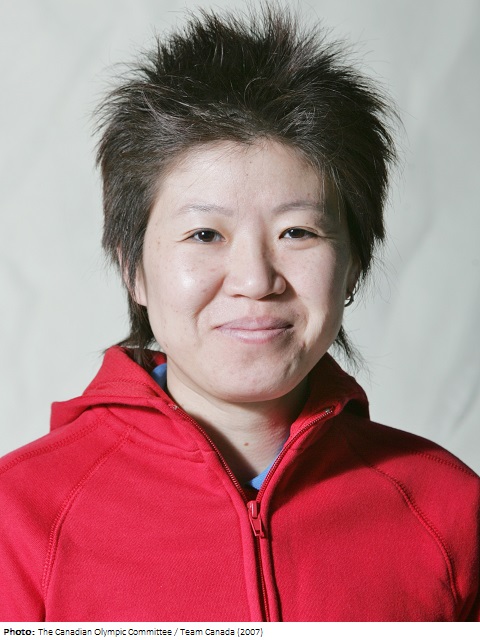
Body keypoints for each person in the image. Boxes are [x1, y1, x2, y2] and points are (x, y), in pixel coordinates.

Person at [0, 4, 479, 623]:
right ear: (132, 267)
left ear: (354, 263)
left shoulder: (448, 509)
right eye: (205, 234)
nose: (256, 281)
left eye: (298, 232)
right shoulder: (21, 517)